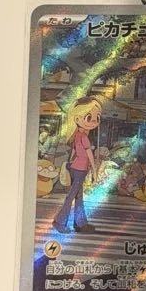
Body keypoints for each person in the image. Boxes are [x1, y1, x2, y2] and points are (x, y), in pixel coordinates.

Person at [53, 96, 102, 233]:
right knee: (72, 196)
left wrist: (70, 163)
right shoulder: (84, 137)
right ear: (77, 118)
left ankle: (80, 223)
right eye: (89, 117)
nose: (94, 121)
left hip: (76, 168)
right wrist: (94, 170)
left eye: (97, 117)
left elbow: (74, 151)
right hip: (80, 169)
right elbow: (89, 155)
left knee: (79, 197)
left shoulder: (77, 136)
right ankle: (60, 222)